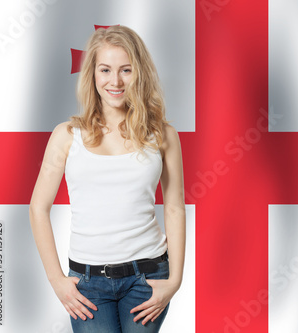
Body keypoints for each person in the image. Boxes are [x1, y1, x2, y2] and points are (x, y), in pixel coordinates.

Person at [29, 25, 186, 333]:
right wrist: (57, 281)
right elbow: (38, 208)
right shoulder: (65, 136)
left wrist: (175, 281)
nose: (115, 81)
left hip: (148, 277)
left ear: (139, 73)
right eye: (106, 70)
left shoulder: (163, 135)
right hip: (87, 284)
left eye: (126, 70)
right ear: (93, 74)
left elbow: (174, 208)